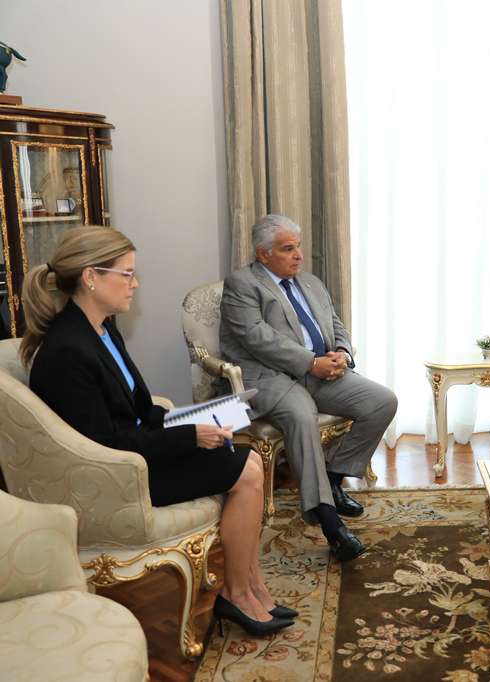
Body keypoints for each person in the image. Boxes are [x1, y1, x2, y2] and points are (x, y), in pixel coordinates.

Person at [23, 226, 293, 636]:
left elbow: (138, 410)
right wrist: (190, 436)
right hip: (118, 476)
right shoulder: (66, 351)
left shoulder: (102, 329)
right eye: (127, 274)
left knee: (250, 458)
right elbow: (106, 444)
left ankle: (249, 584)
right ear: (91, 277)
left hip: (136, 454)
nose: (135, 284)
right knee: (245, 469)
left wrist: (190, 418)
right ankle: (238, 592)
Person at [220, 214, 398, 563]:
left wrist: (343, 353)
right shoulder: (242, 284)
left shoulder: (311, 282)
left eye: (298, 247)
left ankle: (332, 476)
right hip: (269, 378)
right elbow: (257, 338)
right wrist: (310, 362)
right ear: (263, 253)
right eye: (288, 249)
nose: (298, 255)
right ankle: (330, 523)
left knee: (382, 401)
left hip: (320, 373)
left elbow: (335, 323)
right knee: (301, 415)